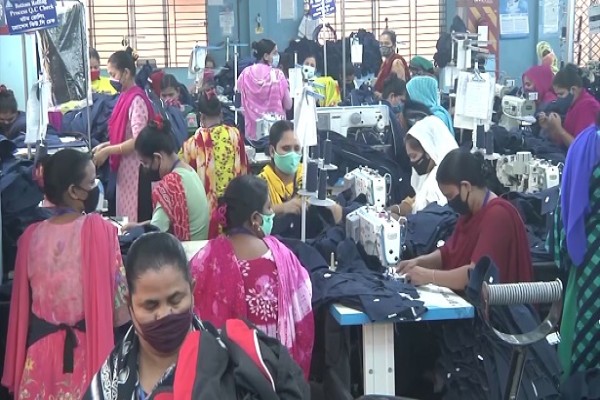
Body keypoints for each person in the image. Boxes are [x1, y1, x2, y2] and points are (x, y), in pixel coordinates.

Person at [2, 149, 129, 398]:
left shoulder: (29, 238)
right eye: (91, 182)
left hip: (39, 359)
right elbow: (119, 311)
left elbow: (23, 309)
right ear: (74, 191)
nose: (96, 187)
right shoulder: (100, 231)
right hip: (87, 354)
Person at [189, 175, 314, 377]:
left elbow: (193, 311)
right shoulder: (281, 256)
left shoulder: (205, 258)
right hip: (273, 372)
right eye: (269, 208)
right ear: (256, 219)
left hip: (222, 375)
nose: (272, 213)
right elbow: (304, 296)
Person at [84, 232, 203, 399]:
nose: (164, 314)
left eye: (175, 300)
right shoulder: (108, 384)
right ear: (130, 304)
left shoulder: (226, 364)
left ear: (192, 290)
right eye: (151, 306)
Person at [397, 149, 533, 288]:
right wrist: (419, 262)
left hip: (493, 300)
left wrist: (428, 276)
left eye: (450, 196)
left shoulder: (498, 216)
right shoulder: (469, 214)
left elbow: (474, 275)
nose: (449, 202)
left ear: (466, 186)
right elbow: (448, 253)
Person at [550, 122, 600, 381]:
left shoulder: (586, 142)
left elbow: (568, 206)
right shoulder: (590, 143)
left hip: (587, 254)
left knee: (581, 329)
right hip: (592, 258)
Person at [92, 49, 155, 222]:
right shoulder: (124, 96)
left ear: (126, 73)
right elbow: (123, 134)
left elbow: (138, 140)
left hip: (136, 171)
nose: (111, 79)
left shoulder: (137, 100)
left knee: (133, 218)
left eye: (113, 74)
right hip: (124, 170)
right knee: (124, 215)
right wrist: (105, 145)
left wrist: (108, 151)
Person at [123, 116, 209, 241]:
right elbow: (164, 221)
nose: (145, 169)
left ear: (157, 157)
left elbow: (154, 234)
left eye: (145, 163)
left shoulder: (171, 184)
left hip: (186, 251)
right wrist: (139, 226)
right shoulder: (188, 171)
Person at [180, 88, 248, 237]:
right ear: (221, 115)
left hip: (206, 215)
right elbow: (244, 170)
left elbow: (184, 180)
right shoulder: (235, 134)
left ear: (201, 117)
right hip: (234, 209)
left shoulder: (192, 144)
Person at [390, 116, 458, 216]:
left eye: (414, 156)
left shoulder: (439, 182)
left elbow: (433, 219)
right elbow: (419, 197)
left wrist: (402, 220)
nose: (412, 162)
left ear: (428, 151)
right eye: (410, 157)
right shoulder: (431, 174)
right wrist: (407, 204)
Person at [238, 39, 292, 139]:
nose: (277, 56)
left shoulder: (245, 74)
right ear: (266, 56)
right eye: (274, 53)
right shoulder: (278, 75)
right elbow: (288, 105)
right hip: (277, 133)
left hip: (252, 134)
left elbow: (239, 103)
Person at [539, 63, 600, 147]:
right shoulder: (573, 105)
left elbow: (581, 148)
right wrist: (550, 127)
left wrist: (560, 129)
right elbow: (563, 142)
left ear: (573, 90)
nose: (558, 98)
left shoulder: (588, 106)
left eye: (561, 94)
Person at [258, 120, 303, 215]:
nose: (292, 154)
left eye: (297, 148)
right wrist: (282, 208)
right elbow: (255, 215)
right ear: (272, 151)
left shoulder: (306, 178)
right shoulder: (260, 185)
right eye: (286, 148)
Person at [374, 30, 410, 95]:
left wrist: (382, 96)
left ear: (394, 46)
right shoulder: (384, 63)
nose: (383, 46)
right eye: (381, 43)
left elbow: (399, 90)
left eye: (387, 43)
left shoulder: (396, 62)